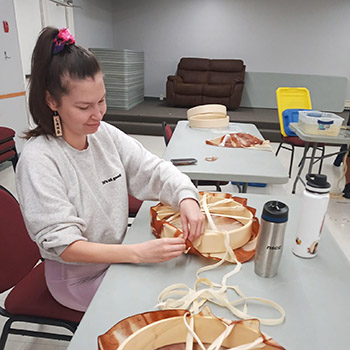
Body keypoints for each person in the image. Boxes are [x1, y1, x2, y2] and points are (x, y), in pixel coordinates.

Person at [16, 27, 205, 312]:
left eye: (101, 100)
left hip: (119, 258)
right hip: (77, 277)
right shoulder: (40, 159)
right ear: (52, 101)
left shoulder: (103, 134)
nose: (98, 114)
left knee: (188, 282)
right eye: (84, 107)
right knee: (172, 305)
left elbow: (152, 169)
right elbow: (67, 247)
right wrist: (136, 254)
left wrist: (186, 198)